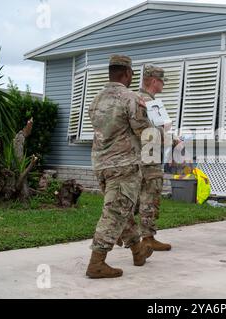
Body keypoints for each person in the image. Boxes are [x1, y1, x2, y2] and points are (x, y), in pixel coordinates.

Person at [85, 55, 154, 279]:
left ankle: (138, 251)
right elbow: (144, 132)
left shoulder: (96, 99)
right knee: (115, 212)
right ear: (127, 73)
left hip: (101, 165)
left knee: (122, 209)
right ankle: (97, 262)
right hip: (124, 165)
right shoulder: (131, 98)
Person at [117, 64, 174, 251]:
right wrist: (173, 141)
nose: (163, 85)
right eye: (162, 81)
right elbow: (156, 130)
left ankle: (122, 231)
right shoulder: (149, 103)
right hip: (149, 156)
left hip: (136, 156)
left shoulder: (135, 98)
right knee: (150, 196)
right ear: (155, 81)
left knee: (135, 198)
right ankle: (147, 237)